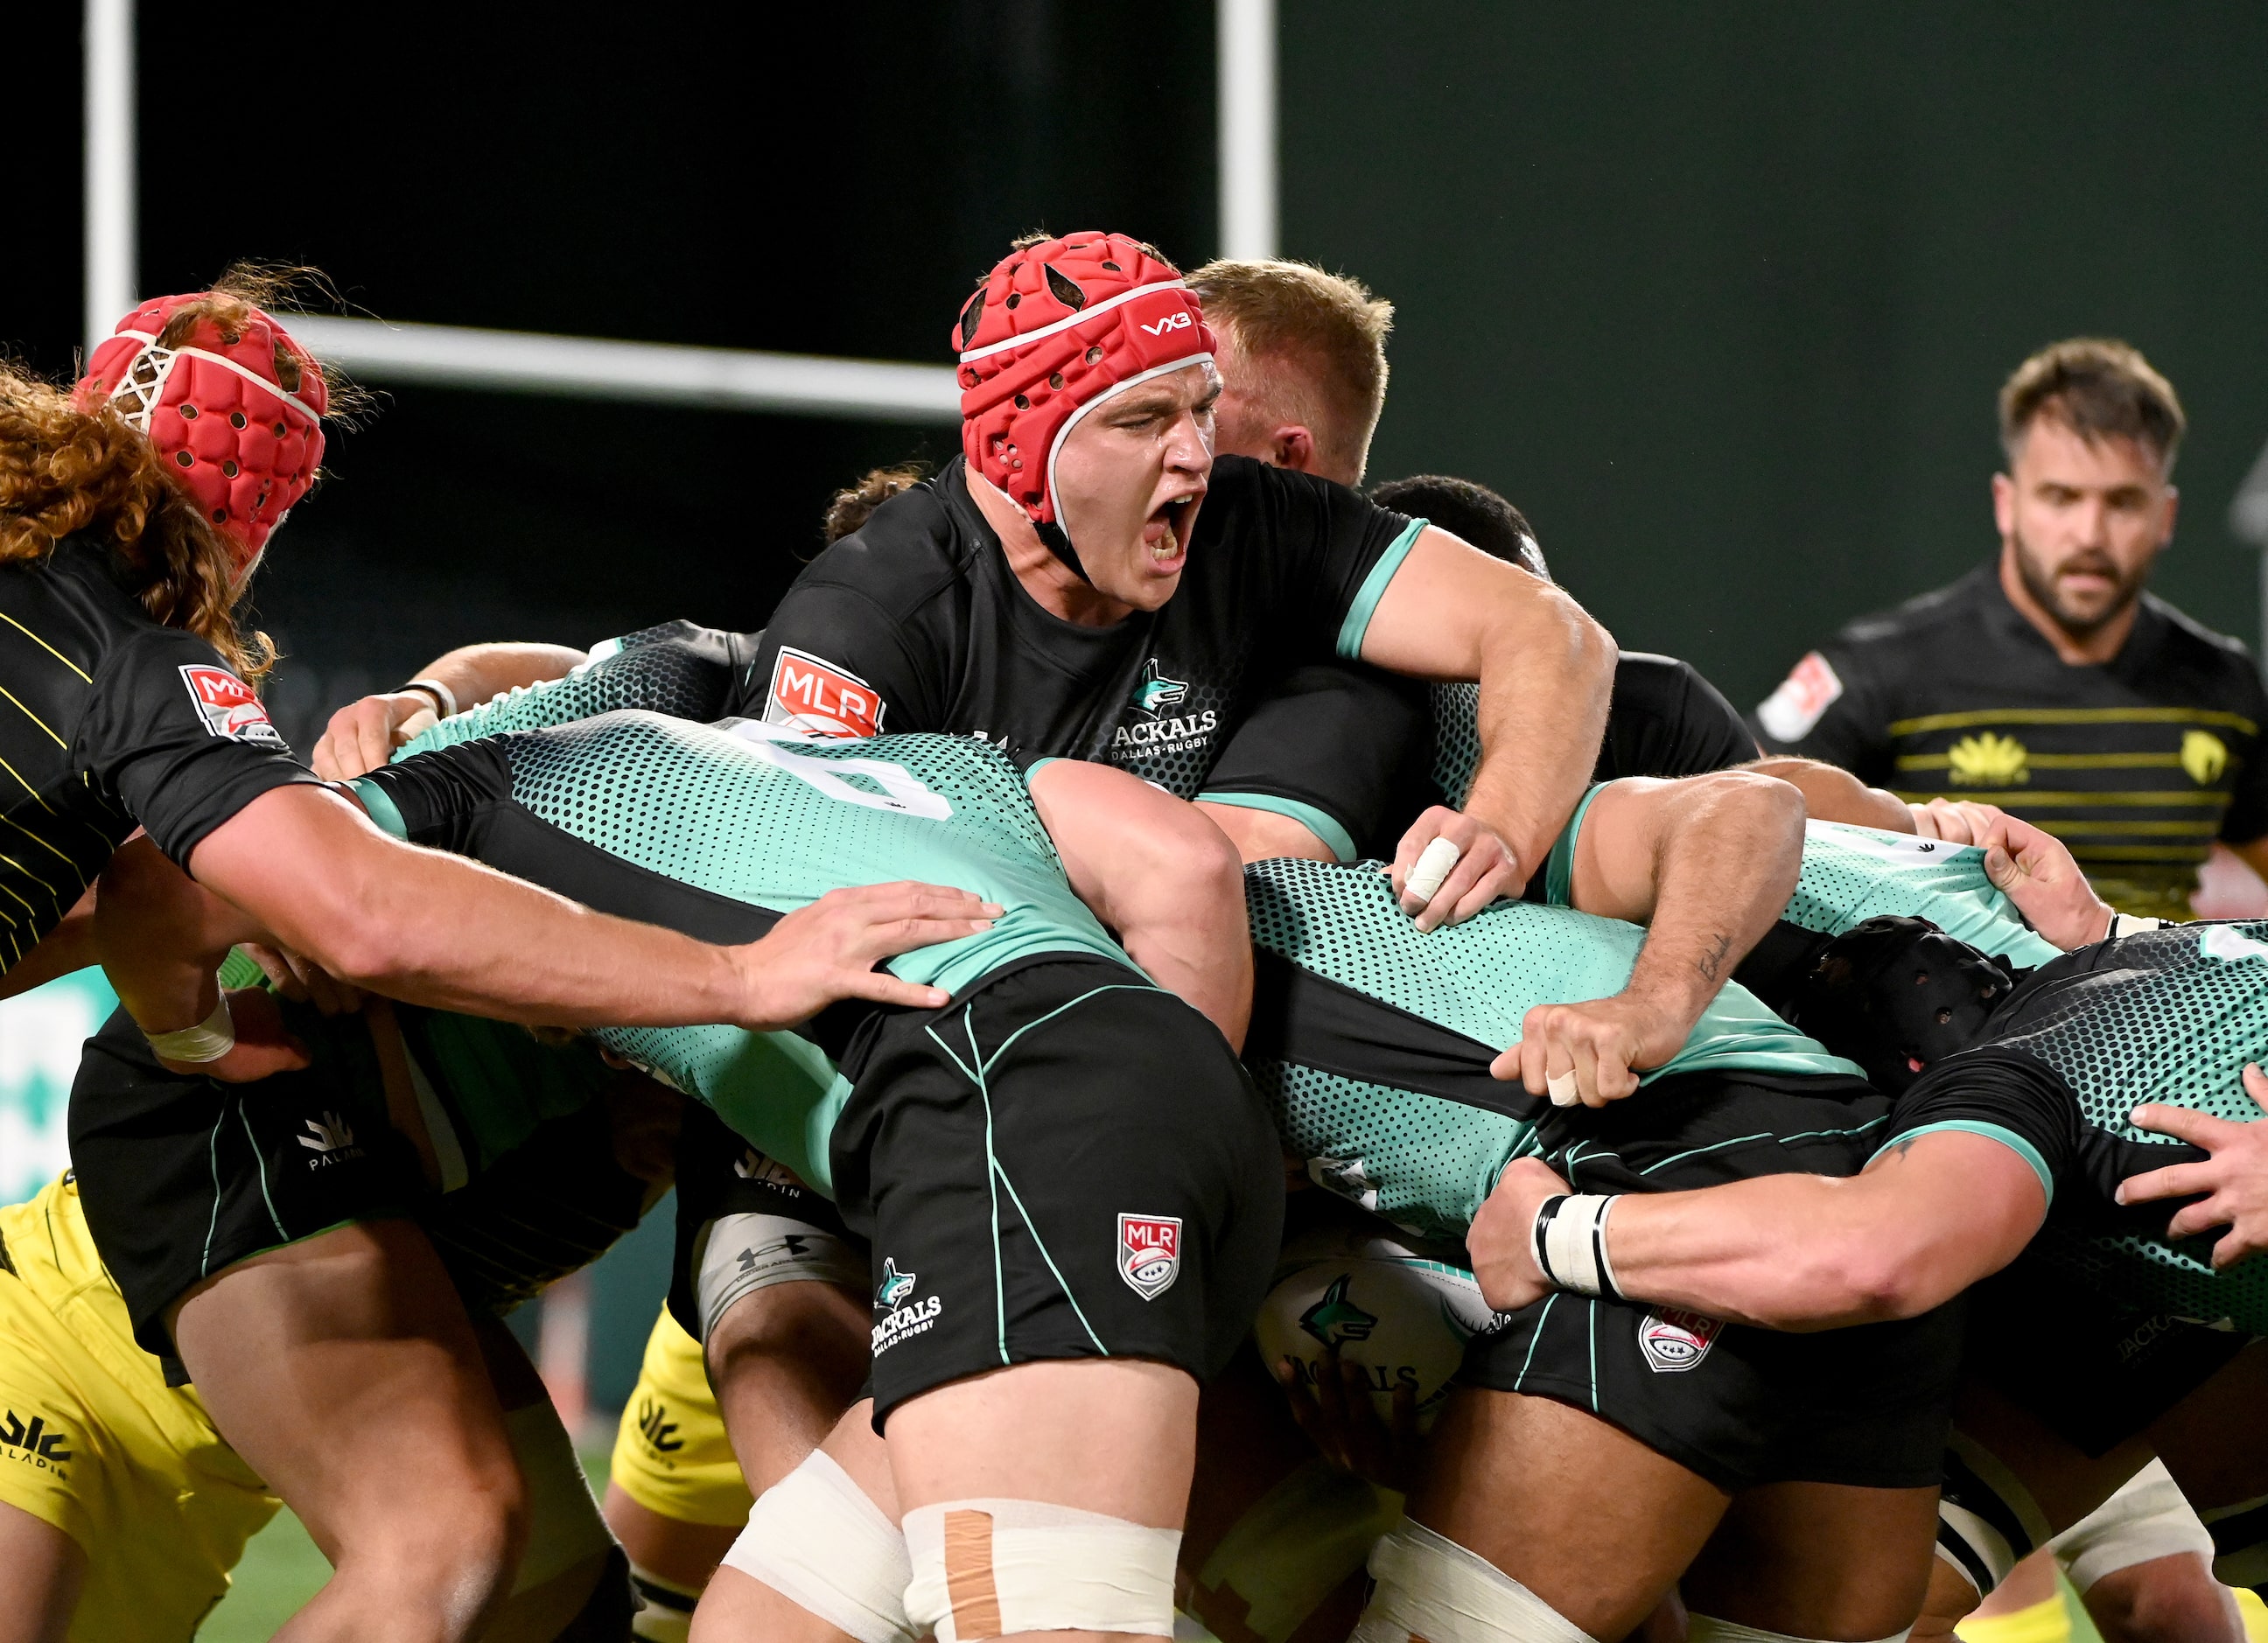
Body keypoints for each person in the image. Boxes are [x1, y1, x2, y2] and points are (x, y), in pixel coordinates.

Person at [314, 231, 1620, 935]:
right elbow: (781, 880)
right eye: (1143, 420)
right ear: (1024, 450)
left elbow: (1551, 635)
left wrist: (1503, 818)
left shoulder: (1262, 530)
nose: (1191, 457)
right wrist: (431, 709)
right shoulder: (867, 615)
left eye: (1203, 412)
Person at [338, 705, 1282, 1643]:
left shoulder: (462, 790)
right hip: (1183, 1109)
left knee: (1044, 1620)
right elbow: (1187, 863)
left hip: (999, 1105)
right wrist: (1133, 1161)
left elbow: (281, 881)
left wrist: (203, 1019)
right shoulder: (922, 760)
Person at [0, 276, 989, 1039]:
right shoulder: (134, 663)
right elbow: (367, 911)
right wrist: (741, 975)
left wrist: (242, 877)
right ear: (247, 531)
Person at [11, 934, 699, 1640]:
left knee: (561, 1608)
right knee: (444, 1541)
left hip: (206, 1494)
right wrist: (249, 885)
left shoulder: (711, 1124)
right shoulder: (606, 937)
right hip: (47, 1343)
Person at [1754, 337, 2268, 922]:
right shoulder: (1878, 670)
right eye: (2061, 498)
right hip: (1940, 1007)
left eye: (2122, 502)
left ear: (2166, 516)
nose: (2090, 536)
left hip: (2161, 1010)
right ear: (2006, 504)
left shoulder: (2224, 687)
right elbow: (1735, 805)